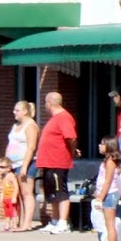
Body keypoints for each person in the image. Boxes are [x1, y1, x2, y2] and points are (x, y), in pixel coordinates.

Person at [35, 90, 80, 233]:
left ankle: (63, 222)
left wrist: (72, 152)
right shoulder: (55, 118)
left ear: (49, 103)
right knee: (51, 193)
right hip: (49, 162)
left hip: (58, 161)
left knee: (60, 191)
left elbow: (71, 137)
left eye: (45, 103)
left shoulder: (64, 117)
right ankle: (54, 220)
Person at [5, 100, 39, 231]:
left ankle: (27, 223)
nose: (14, 112)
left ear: (25, 111)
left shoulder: (31, 126)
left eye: (17, 110)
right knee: (18, 193)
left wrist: (25, 166)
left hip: (26, 163)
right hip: (13, 164)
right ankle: (19, 222)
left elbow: (31, 147)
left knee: (26, 193)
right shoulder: (16, 126)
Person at [90, 137, 121, 241]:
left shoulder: (110, 162)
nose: (99, 146)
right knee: (107, 224)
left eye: (102, 144)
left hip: (109, 195)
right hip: (106, 194)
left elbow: (108, 181)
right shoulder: (107, 161)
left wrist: (100, 198)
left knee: (110, 225)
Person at [0, 158, 19, 231]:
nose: (0, 169)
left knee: (13, 213)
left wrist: (14, 197)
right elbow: (3, 188)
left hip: (11, 197)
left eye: (2, 167)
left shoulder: (11, 176)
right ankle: (7, 225)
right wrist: (2, 196)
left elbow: (16, 186)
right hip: (6, 198)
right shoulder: (3, 176)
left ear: (8, 168)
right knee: (7, 213)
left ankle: (14, 225)